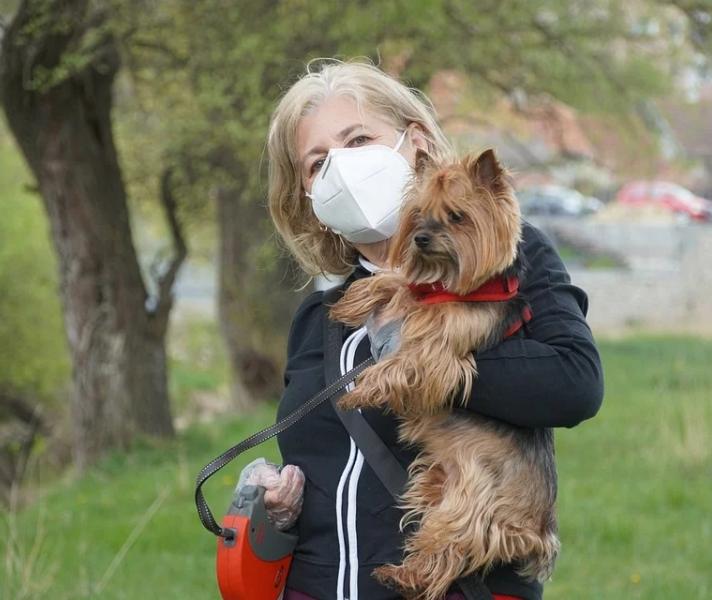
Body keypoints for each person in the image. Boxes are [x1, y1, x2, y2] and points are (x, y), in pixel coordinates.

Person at [238, 58, 604, 600]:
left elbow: (575, 385)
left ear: (414, 143)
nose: (341, 168)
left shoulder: (510, 271)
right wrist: (280, 502)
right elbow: (322, 464)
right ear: (308, 199)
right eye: (317, 164)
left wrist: (429, 361)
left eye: (359, 139)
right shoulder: (320, 316)